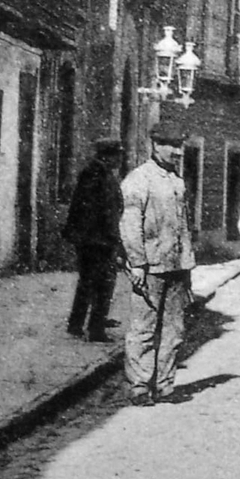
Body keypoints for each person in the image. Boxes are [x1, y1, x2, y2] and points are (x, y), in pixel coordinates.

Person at [119, 123, 196, 407]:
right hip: (150, 267)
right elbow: (129, 225)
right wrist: (137, 263)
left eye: (179, 146)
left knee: (174, 330)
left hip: (176, 266)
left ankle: (164, 384)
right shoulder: (138, 180)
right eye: (171, 146)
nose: (177, 152)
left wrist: (188, 264)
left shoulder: (178, 182)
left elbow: (183, 227)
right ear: (155, 145)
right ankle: (139, 386)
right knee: (143, 329)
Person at [63, 138, 125, 342]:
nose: (120, 159)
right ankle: (95, 329)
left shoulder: (99, 173)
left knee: (90, 282)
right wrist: (112, 235)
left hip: (95, 238)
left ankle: (80, 323)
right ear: (108, 155)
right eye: (117, 155)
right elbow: (99, 209)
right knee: (102, 284)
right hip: (97, 239)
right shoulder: (96, 174)